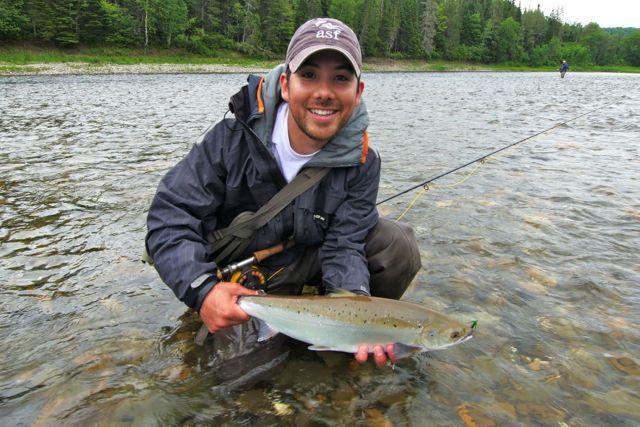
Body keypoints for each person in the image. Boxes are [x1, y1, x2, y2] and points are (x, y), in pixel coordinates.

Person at [146, 17, 421, 369]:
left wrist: (358, 313)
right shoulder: (231, 139)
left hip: (306, 259)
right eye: (309, 75)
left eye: (340, 78)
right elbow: (169, 219)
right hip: (243, 280)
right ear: (287, 85)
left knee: (397, 245)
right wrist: (203, 291)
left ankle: (333, 340)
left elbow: (345, 244)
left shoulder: (363, 161)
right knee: (238, 375)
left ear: (358, 91)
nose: (324, 92)